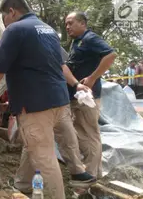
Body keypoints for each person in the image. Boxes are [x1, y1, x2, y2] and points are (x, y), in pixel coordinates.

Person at [0, 0, 93, 198]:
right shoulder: (48, 30)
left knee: (44, 157)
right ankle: (68, 174)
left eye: (4, 18)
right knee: (43, 143)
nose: (4, 24)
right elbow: (61, 65)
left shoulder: (15, 29)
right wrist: (76, 84)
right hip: (60, 101)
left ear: (12, 12)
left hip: (35, 105)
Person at [9, 47, 96, 194]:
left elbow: (2, 71)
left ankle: (60, 185)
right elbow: (62, 66)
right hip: (56, 100)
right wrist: (76, 84)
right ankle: (23, 183)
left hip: (41, 103)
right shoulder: (47, 40)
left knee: (40, 146)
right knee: (39, 142)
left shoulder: (22, 38)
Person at [65, 11, 116, 179]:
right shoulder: (77, 42)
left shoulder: (90, 38)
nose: (67, 27)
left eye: (71, 23)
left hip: (86, 97)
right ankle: (96, 173)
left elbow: (111, 54)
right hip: (77, 95)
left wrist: (93, 78)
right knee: (83, 132)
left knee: (89, 134)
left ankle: (91, 174)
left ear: (82, 24)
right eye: (66, 24)